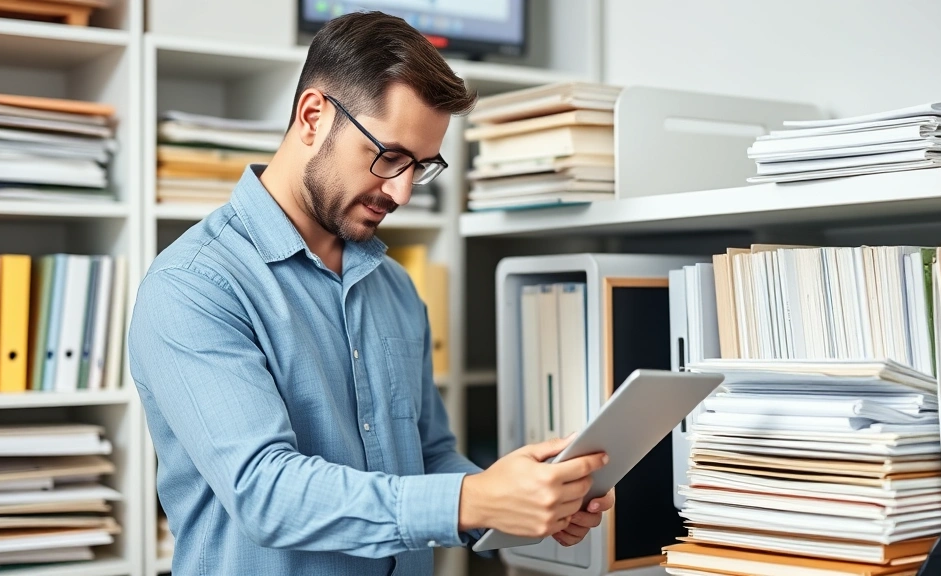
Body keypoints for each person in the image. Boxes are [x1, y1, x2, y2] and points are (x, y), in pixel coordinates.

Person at [129, 10, 615, 576]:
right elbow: (265, 493)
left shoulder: (394, 287)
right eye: (389, 157)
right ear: (313, 117)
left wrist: (517, 501)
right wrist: (470, 501)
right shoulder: (194, 286)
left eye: (422, 166)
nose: (403, 191)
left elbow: (427, 455)